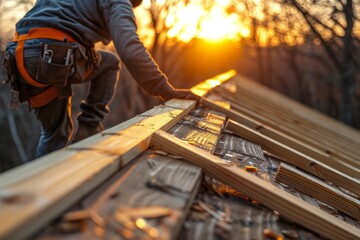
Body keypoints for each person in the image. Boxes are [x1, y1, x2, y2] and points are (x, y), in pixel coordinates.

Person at [2, 0, 199, 158]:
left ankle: (42, 191)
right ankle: (89, 126)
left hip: (18, 57)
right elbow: (130, 51)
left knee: (55, 133)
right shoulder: (118, 2)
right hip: (55, 53)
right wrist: (164, 90)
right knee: (110, 62)